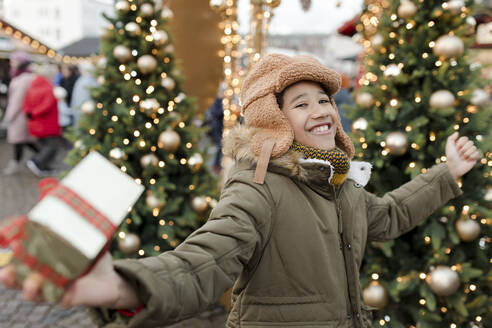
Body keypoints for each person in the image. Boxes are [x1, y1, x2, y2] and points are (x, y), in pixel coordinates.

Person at [0, 54, 481, 328]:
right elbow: (206, 258)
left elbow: (391, 214)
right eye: (300, 103)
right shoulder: (258, 188)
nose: (322, 110)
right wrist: (123, 286)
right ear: (273, 121)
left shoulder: (338, 183)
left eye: (324, 100)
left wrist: (448, 173)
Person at [1, 51, 39, 175]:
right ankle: (41, 157)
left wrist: (8, 118)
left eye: (14, 61)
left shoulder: (22, 79)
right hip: (22, 116)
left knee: (19, 141)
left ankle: (40, 158)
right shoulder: (25, 77)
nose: (12, 64)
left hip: (19, 117)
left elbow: (16, 101)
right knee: (24, 141)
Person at [22, 69, 62, 177]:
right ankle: (36, 161)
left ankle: (44, 166)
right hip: (47, 124)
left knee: (44, 145)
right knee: (52, 146)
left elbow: (25, 104)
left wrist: (30, 113)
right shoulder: (49, 89)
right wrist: (35, 113)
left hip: (34, 124)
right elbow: (47, 105)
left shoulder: (31, 88)